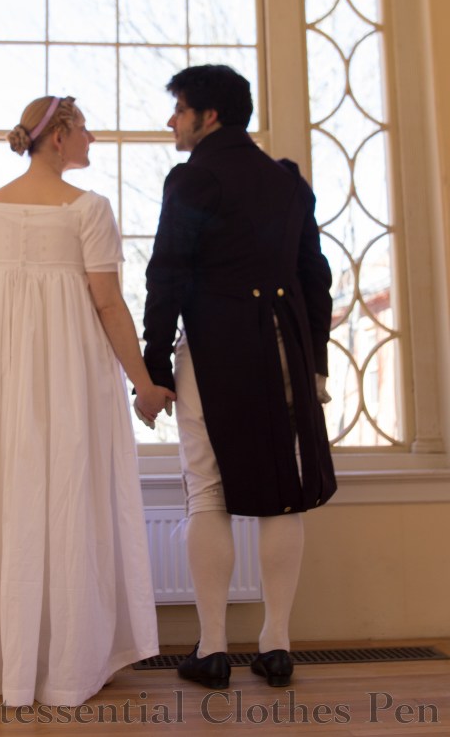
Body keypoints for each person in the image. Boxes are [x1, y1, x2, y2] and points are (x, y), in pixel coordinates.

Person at [0, 95, 172, 707]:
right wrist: (144, 383)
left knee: (8, 498)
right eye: (84, 130)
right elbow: (108, 304)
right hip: (71, 377)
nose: (91, 139)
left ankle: (4, 660)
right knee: (74, 494)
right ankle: (69, 659)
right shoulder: (88, 210)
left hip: (1, 381)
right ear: (59, 136)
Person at [138, 64, 337, 690]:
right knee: (284, 492)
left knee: (207, 490)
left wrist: (154, 365)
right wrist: (315, 361)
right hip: (284, 347)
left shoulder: (193, 179)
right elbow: (315, 279)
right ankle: (276, 646)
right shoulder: (287, 181)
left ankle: (214, 649)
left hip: (214, 349)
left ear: (210, 115)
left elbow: (166, 274)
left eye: (179, 109)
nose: (171, 120)